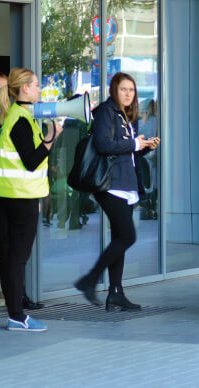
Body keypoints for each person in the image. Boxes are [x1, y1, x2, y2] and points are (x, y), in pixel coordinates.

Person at [74, 72, 159, 310]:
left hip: (125, 183)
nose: (128, 94)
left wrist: (143, 147)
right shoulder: (106, 111)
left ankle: (115, 292)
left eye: (131, 90)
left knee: (120, 238)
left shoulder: (124, 115)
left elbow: (123, 152)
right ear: (114, 90)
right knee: (127, 236)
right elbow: (103, 145)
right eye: (123, 89)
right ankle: (89, 280)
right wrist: (134, 144)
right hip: (111, 185)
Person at [0, 68, 62, 331]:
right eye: (35, 85)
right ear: (24, 89)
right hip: (21, 197)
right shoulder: (20, 119)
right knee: (17, 257)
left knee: (12, 255)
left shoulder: (18, 116)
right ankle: (17, 316)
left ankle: (15, 313)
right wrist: (51, 138)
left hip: (14, 195)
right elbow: (32, 161)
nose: (39, 89)